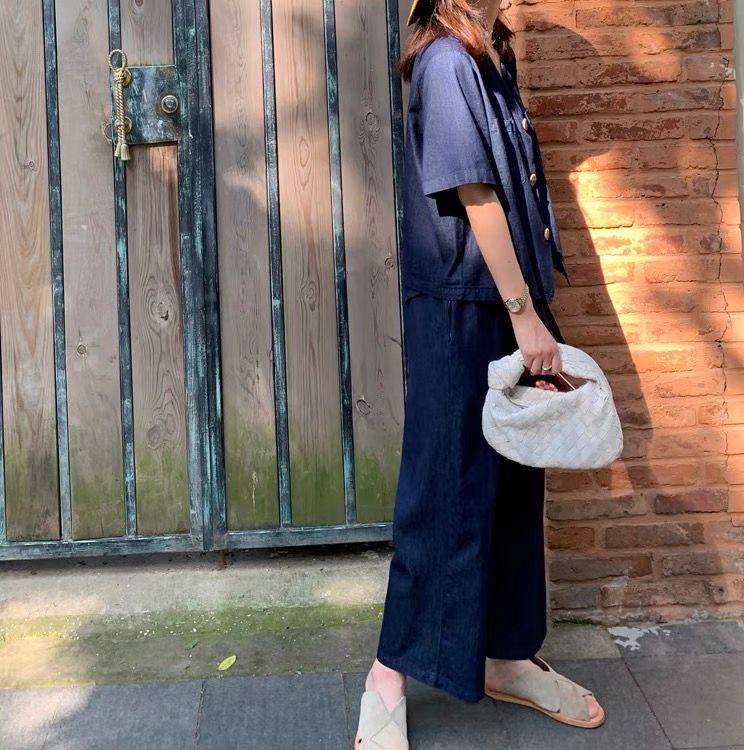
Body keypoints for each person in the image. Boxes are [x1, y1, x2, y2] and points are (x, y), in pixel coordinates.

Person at [353, 1, 606, 747]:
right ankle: (386, 678)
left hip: (505, 300)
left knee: (514, 488)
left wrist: (526, 309)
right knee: (444, 492)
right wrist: (525, 315)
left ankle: (506, 656)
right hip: (463, 308)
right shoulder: (446, 64)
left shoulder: (492, 58)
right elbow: (475, 194)